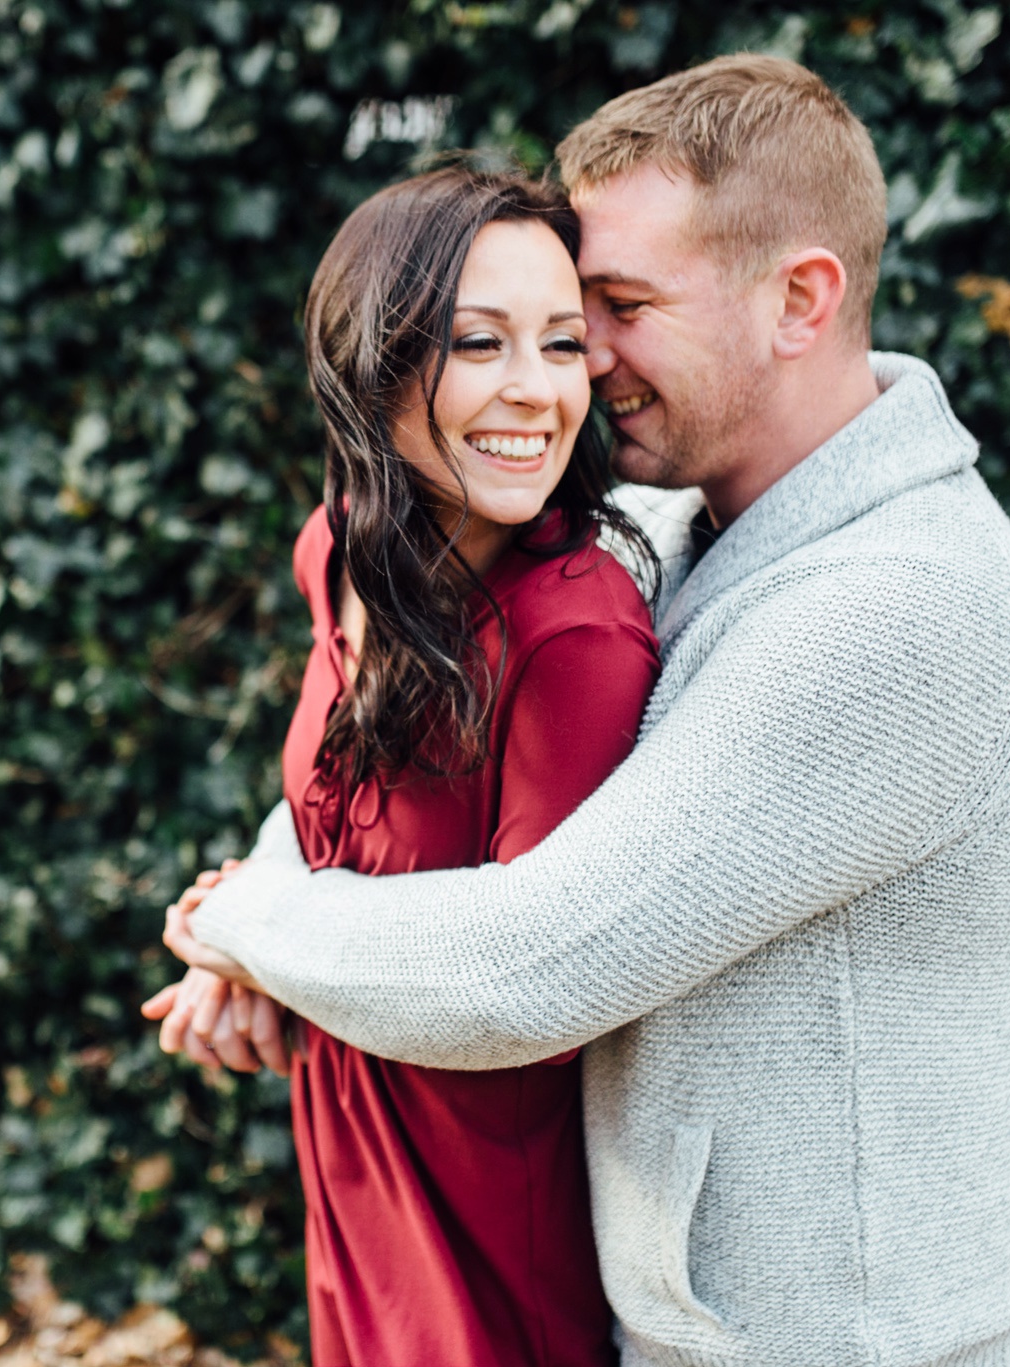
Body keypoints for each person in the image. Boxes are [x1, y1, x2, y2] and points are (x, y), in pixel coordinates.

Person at [158, 55, 1010, 1367]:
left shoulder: (901, 607)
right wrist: (258, 919)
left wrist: (247, 920)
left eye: (623, 303)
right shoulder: (670, 519)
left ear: (801, 300)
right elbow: (393, 736)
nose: (578, 355)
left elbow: (530, 965)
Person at [144, 165, 660, 1366]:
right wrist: (256, 959)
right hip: (351, 1180)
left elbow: (526, 989)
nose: (535, 390)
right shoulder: (338, 552)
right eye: (478, 342)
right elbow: (331, 812)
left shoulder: (569, 631)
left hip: (488, 1245)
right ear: (373, 364)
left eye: (561, 342)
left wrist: (258, 935)